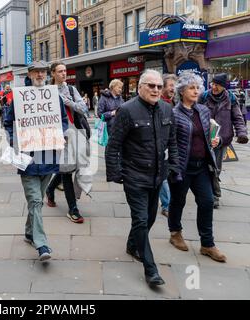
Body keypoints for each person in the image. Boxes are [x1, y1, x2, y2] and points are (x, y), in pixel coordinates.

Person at [105, 70, 179, 287]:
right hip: (134, 176)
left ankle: (132, 244)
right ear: (140, 87)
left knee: (150, 218)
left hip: (157, 176)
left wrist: (173, 166)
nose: (156, 89)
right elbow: (114, 145)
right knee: (141, 220)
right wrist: (116, 173)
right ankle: (150, 269)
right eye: (151, 86)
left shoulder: (167, 109)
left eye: (158, 86)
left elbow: (172, 141)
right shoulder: (127, 110)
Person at [4, 61, 69, 262]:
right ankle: (41, 244)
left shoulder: (53, 96)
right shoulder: (20, 98)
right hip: (29, 158)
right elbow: (8, 123)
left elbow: (63, 120)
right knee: (35, 201)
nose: (40, 75)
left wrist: (63, 134)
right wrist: (15, 140)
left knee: (37, 202)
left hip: (49, 156)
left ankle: (29, 232)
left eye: (42, 71)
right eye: (36, 72)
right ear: (30, 75)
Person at [168, 72, 227, 263]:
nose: (196, 91)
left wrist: (214, 140)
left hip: (202, 165)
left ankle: (207, 244)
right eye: (191, 88)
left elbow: (206, 135)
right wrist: (174, 166)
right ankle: (175, 233)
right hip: (182, 166)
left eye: (197, 87)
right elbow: (172, 143)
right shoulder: (174, 114)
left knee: (207, 202)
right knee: (178, 201)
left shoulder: (203, 110)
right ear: (182, 90)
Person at [46, 61, 91, 224]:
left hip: (76, 133)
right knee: (66, 170)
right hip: (58, 136)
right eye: (59, 71)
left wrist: (68, 102)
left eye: (65, 71)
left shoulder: (71, 89)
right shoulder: (46, 92)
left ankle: (50, 189)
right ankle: (73, 208)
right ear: (53, 73)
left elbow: (83, 108)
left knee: (76, 166)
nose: (63, 74)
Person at [199, 73, 249, 209]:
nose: (213, 87)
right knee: (205, 167)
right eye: (212, 84)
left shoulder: (231, 98)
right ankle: (213, 193)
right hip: (204, 137)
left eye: (217, 85)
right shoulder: (203, 97)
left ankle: (214, 195)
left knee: (216, 167)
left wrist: (242, 133)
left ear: (223, 86)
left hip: (221, 139)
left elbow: (238, 118)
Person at [159, 74, 178, 218]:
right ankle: (167, 205)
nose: (173, 89)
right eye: (171, 86)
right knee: (163, 177)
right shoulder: (158, 103)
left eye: (174, 86)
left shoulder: (174, 102)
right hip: (160, 147)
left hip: (173, 145)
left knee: (168, 176)